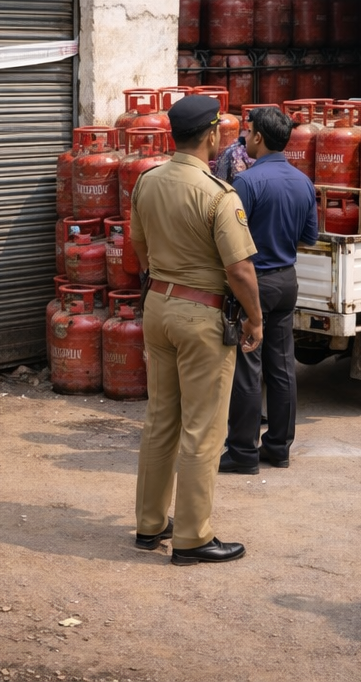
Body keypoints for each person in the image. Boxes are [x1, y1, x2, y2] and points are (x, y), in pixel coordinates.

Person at [131, 94, 262, 565]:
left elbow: (139, 248)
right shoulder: (217, 194)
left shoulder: (146, 181)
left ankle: (150, 525)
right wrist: (255, 318)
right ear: (211, 136)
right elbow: (241, 271)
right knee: (203, 429)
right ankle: (191, 538)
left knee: (160, 419)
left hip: (158, 307)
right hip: (201, 315)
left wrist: (163, 282)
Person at [220, 107, 318, 474]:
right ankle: (279, 447)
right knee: (281, 367)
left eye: (248, 131)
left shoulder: (247, 183)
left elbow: (230, 241)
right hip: (286, 279)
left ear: (259, 137)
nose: (244, 136)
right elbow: (309, 237)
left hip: (253, 283)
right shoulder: (303, 182)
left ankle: (243, 453)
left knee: (247, 366)